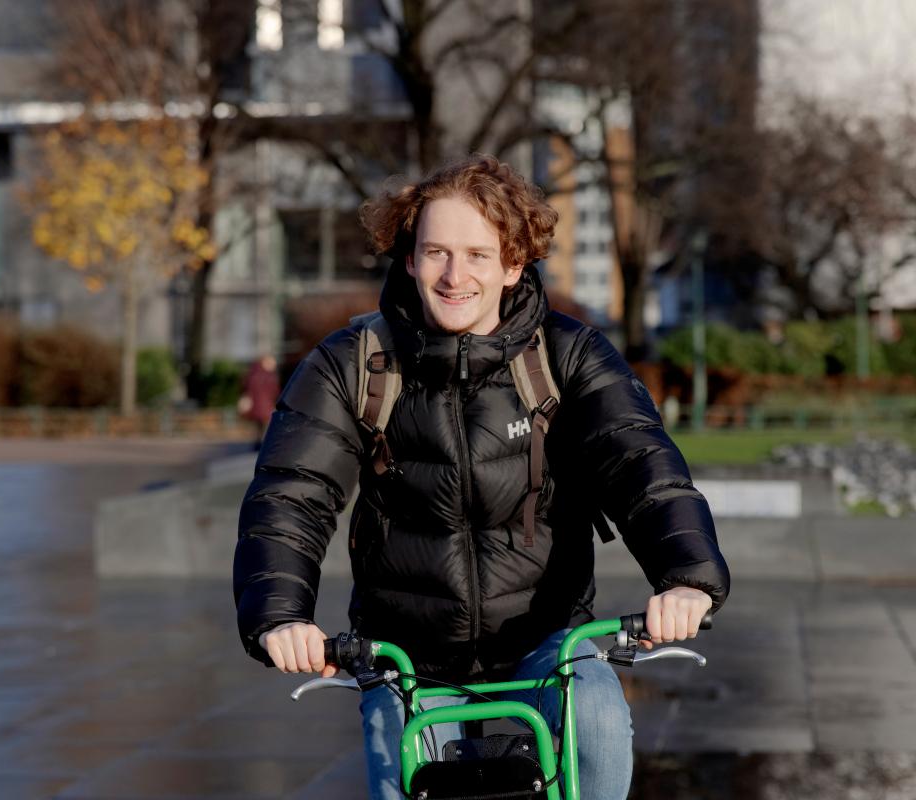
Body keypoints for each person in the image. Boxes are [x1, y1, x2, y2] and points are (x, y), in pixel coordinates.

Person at [234, 154, 730, 800]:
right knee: (400, 772)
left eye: (477, 254)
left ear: (514, 265)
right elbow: (289, 496)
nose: (454, 275)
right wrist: (280, 617)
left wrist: (686, 577)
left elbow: (643, 466)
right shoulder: (354, 366)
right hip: (408, 655)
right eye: (435, 252)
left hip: (547, 640)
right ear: (409, 259)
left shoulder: (565, 355)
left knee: (598, 725)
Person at [237, 354, 280, 444]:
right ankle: (263, 443)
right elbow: (275, 391)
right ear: (265, 363)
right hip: (266, 406)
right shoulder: (270, 376)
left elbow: (244, 387)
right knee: (267, 426)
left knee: (257, 426)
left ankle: (257, 442)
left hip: (254, 406)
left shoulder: (251, 374)